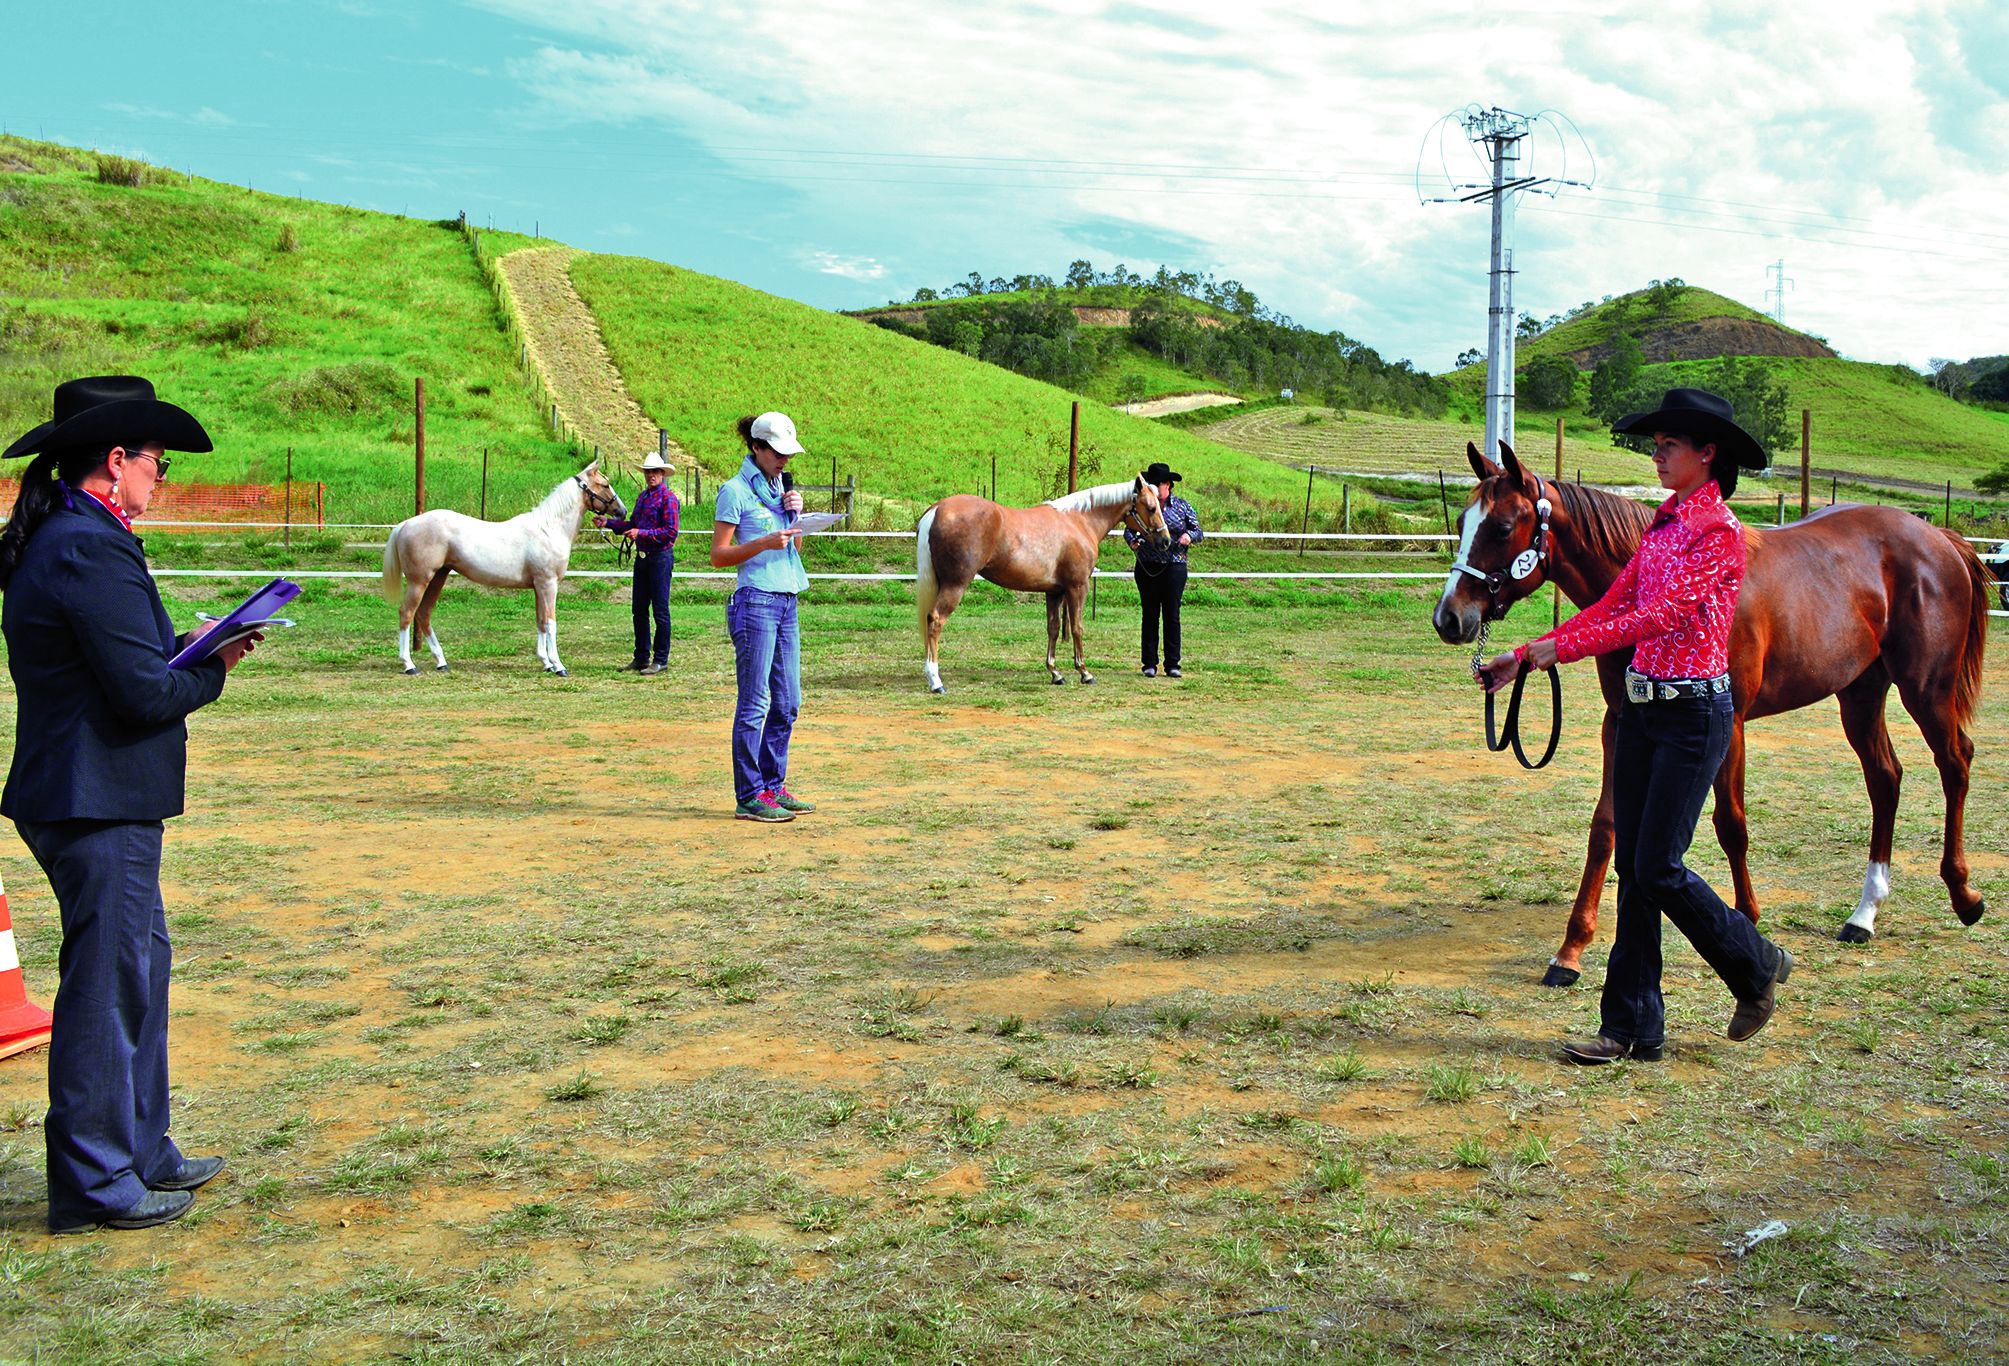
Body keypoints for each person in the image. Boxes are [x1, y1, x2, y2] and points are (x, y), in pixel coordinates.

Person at [0, 376, 260, 1232]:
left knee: (138, 971)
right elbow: (144, 695)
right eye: (158, 465)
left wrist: (188, 647)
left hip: (98, 792)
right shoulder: (87, 544)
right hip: (93, 798)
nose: (162, 480)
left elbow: (124, 664)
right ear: (117, 462)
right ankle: (94, 1181)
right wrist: (210, 665)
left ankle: (141, 1149)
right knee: (107, 989)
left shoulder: (78, 536)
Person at [1478, 388, 1791, 1065]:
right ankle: (1630, 1028)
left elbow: (1662, 617)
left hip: (1691, 714)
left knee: (1658, 865)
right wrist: (1526, 651)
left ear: (1706, 454)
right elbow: (1616, 601)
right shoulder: (1663, 526)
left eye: (1668, 444)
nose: (1656, 453)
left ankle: (1756, 962)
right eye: (1655, 444)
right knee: (1633, 870)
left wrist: (1556, 650)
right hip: (1642, 710)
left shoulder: (1717, 533)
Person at [711, 412, 814, 823]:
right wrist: (763, 542)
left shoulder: (780, 490)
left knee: (788, 702)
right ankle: (750, 795)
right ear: (756, 447)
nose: (785, 460)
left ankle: (773, 786)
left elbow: (795, 550)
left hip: (787, 598)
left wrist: (796, 519)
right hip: (754, 602)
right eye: (778, 452)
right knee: (755, 703)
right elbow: (718, 556)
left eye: (789, 453)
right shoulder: (733, 492)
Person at [597, 450, 680, 674]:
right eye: (647, 472)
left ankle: (660, 659)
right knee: (639, 609)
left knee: (660, 611)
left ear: (662, 474)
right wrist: (608, 523)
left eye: (654, 472)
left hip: (660, 559)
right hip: (643, 559)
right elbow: (632, 523)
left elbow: (670, 533)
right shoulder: (643, 497)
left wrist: (640, 534)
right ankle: (641, 657)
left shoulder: (668, 499)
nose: (650, 475)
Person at [1125, 461, 1202, 678]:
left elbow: (1198, 530)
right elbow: (1129, 529)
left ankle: (1172, 663)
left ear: (1167, 485)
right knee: (1149, 614)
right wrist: (1133, 542)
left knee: (1171, 614)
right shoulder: (1142, 506)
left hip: (1174, 566)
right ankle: (1149, 663)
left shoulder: (1182, 507)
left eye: (1157, 484)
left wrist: (1189, 536)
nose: (1153, 488)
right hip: (1147, 566)